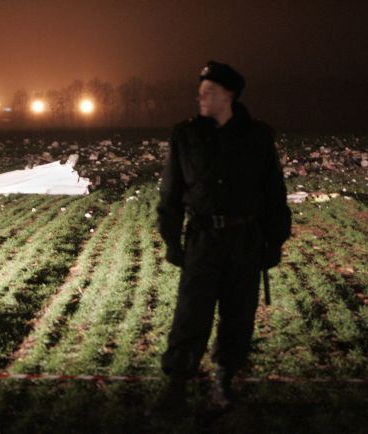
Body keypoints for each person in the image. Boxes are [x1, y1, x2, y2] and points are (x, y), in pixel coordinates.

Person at [157, 60, 291, 409]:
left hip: (244, 240)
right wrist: (172, 240)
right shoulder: (185, 135)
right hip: (202, 240)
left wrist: (274, 241)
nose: (201, 96)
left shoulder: (257, 137)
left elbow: (274, 191)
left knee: (238, 314)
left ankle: (224, 379)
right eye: (200, 90)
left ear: (229, 95)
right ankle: (177, 384)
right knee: (190, 314)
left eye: (210, 91)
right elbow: (170, 194)